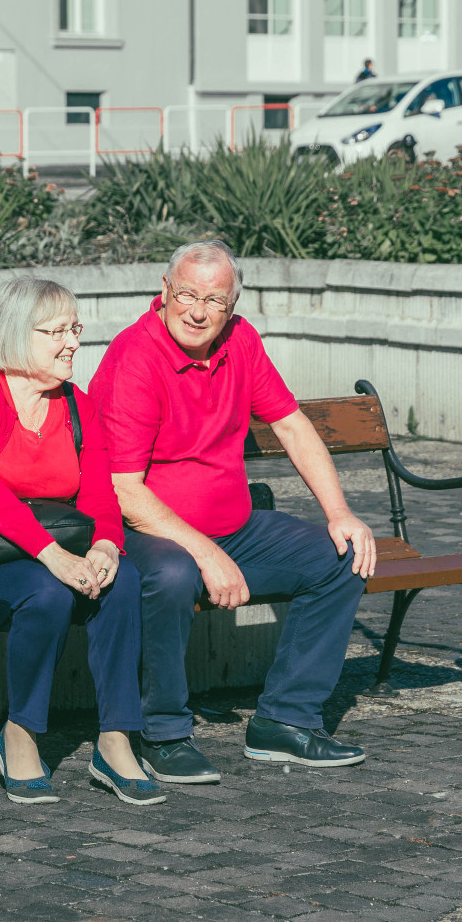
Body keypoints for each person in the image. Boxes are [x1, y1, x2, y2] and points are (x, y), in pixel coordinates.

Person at [90, 239, 378, 783]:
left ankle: (285, 722)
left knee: (340, 556)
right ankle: (163, 733)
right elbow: (124, 490)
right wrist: (205, 554)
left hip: (234, 526)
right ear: (164, 292)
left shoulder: (240, 341)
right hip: (146, 531)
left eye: (214, 301)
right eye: (187, 295)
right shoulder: (136, 357)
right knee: (173, 577)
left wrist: (339, 511)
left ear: (232, 307)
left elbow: (291, 424)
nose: (198, 312)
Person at [0, 277, 159, 806]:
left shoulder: (77, 405)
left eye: (75, 328)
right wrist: (55, 557)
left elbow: (98, 492)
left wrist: (105, 547)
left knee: (124, 580)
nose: (73, 342)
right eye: (57, 332)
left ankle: (115, 740)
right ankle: (19, 733)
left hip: (43, 547)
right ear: (18, 336)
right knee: (45, 592)